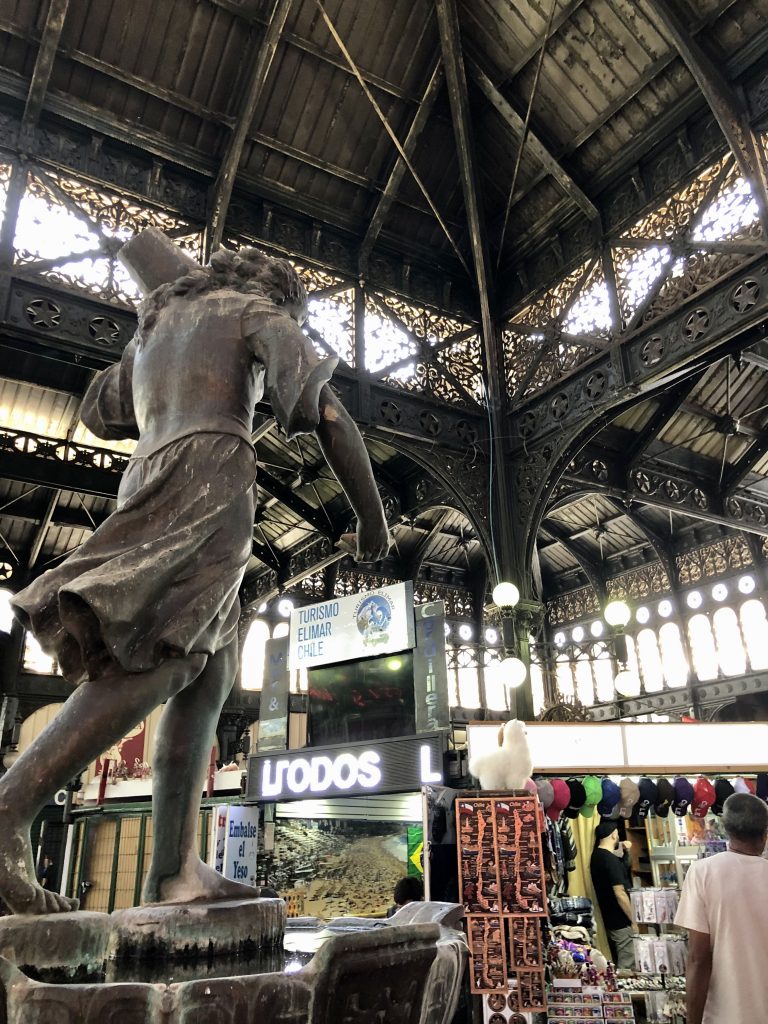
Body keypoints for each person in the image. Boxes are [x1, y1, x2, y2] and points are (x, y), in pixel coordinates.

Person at [0, 232, 390, 916]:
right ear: (281, 294)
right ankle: (9, 809)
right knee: (167, 660)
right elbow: (327, 414)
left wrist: (162, 351)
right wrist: (373, 520)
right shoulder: (257, 314)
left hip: (146, 473)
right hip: (211, 479)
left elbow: (101, 408)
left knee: (207, 678)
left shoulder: (155, 329)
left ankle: (174, 872)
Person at [674, 792, 768, 1024]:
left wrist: (693, 1020)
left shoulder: (703, 872)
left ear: (726, 829)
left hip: (724, 1016)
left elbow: (698, 957)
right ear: (765, 834)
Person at [589, 819, 636, 968]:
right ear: (614, 836)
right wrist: (633, 919)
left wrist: (625, 853)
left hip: (608, 918)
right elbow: (620, 893)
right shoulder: (610, 860)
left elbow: (621, 866)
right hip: (620, 920)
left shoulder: (597, 856)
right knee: (627, 961)